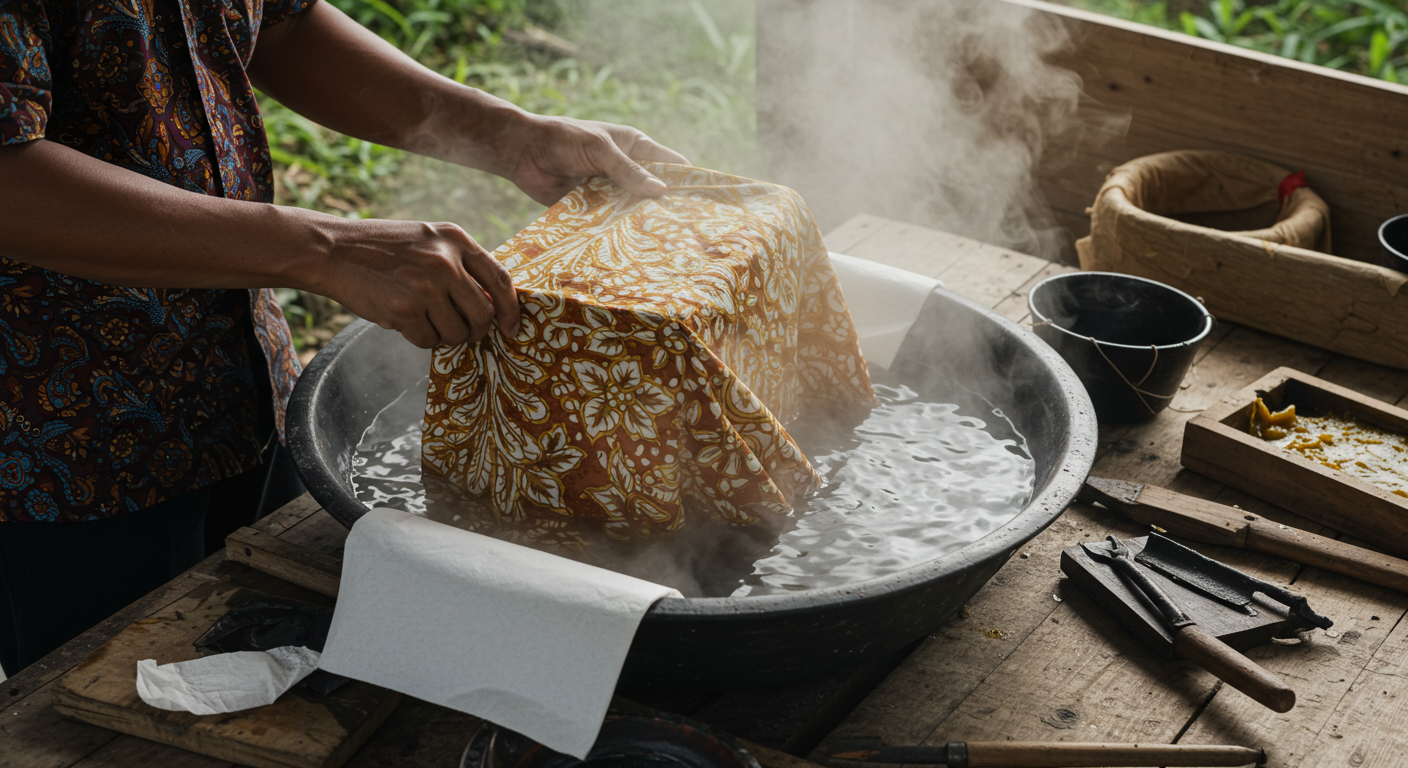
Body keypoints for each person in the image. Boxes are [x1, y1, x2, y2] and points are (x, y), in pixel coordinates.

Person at [0, 0, 687, 677]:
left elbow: (281, 23)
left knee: (272, 665)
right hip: (57, 444)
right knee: (102, 701)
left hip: (239, 372)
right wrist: (325, 250)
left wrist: (508, 134)